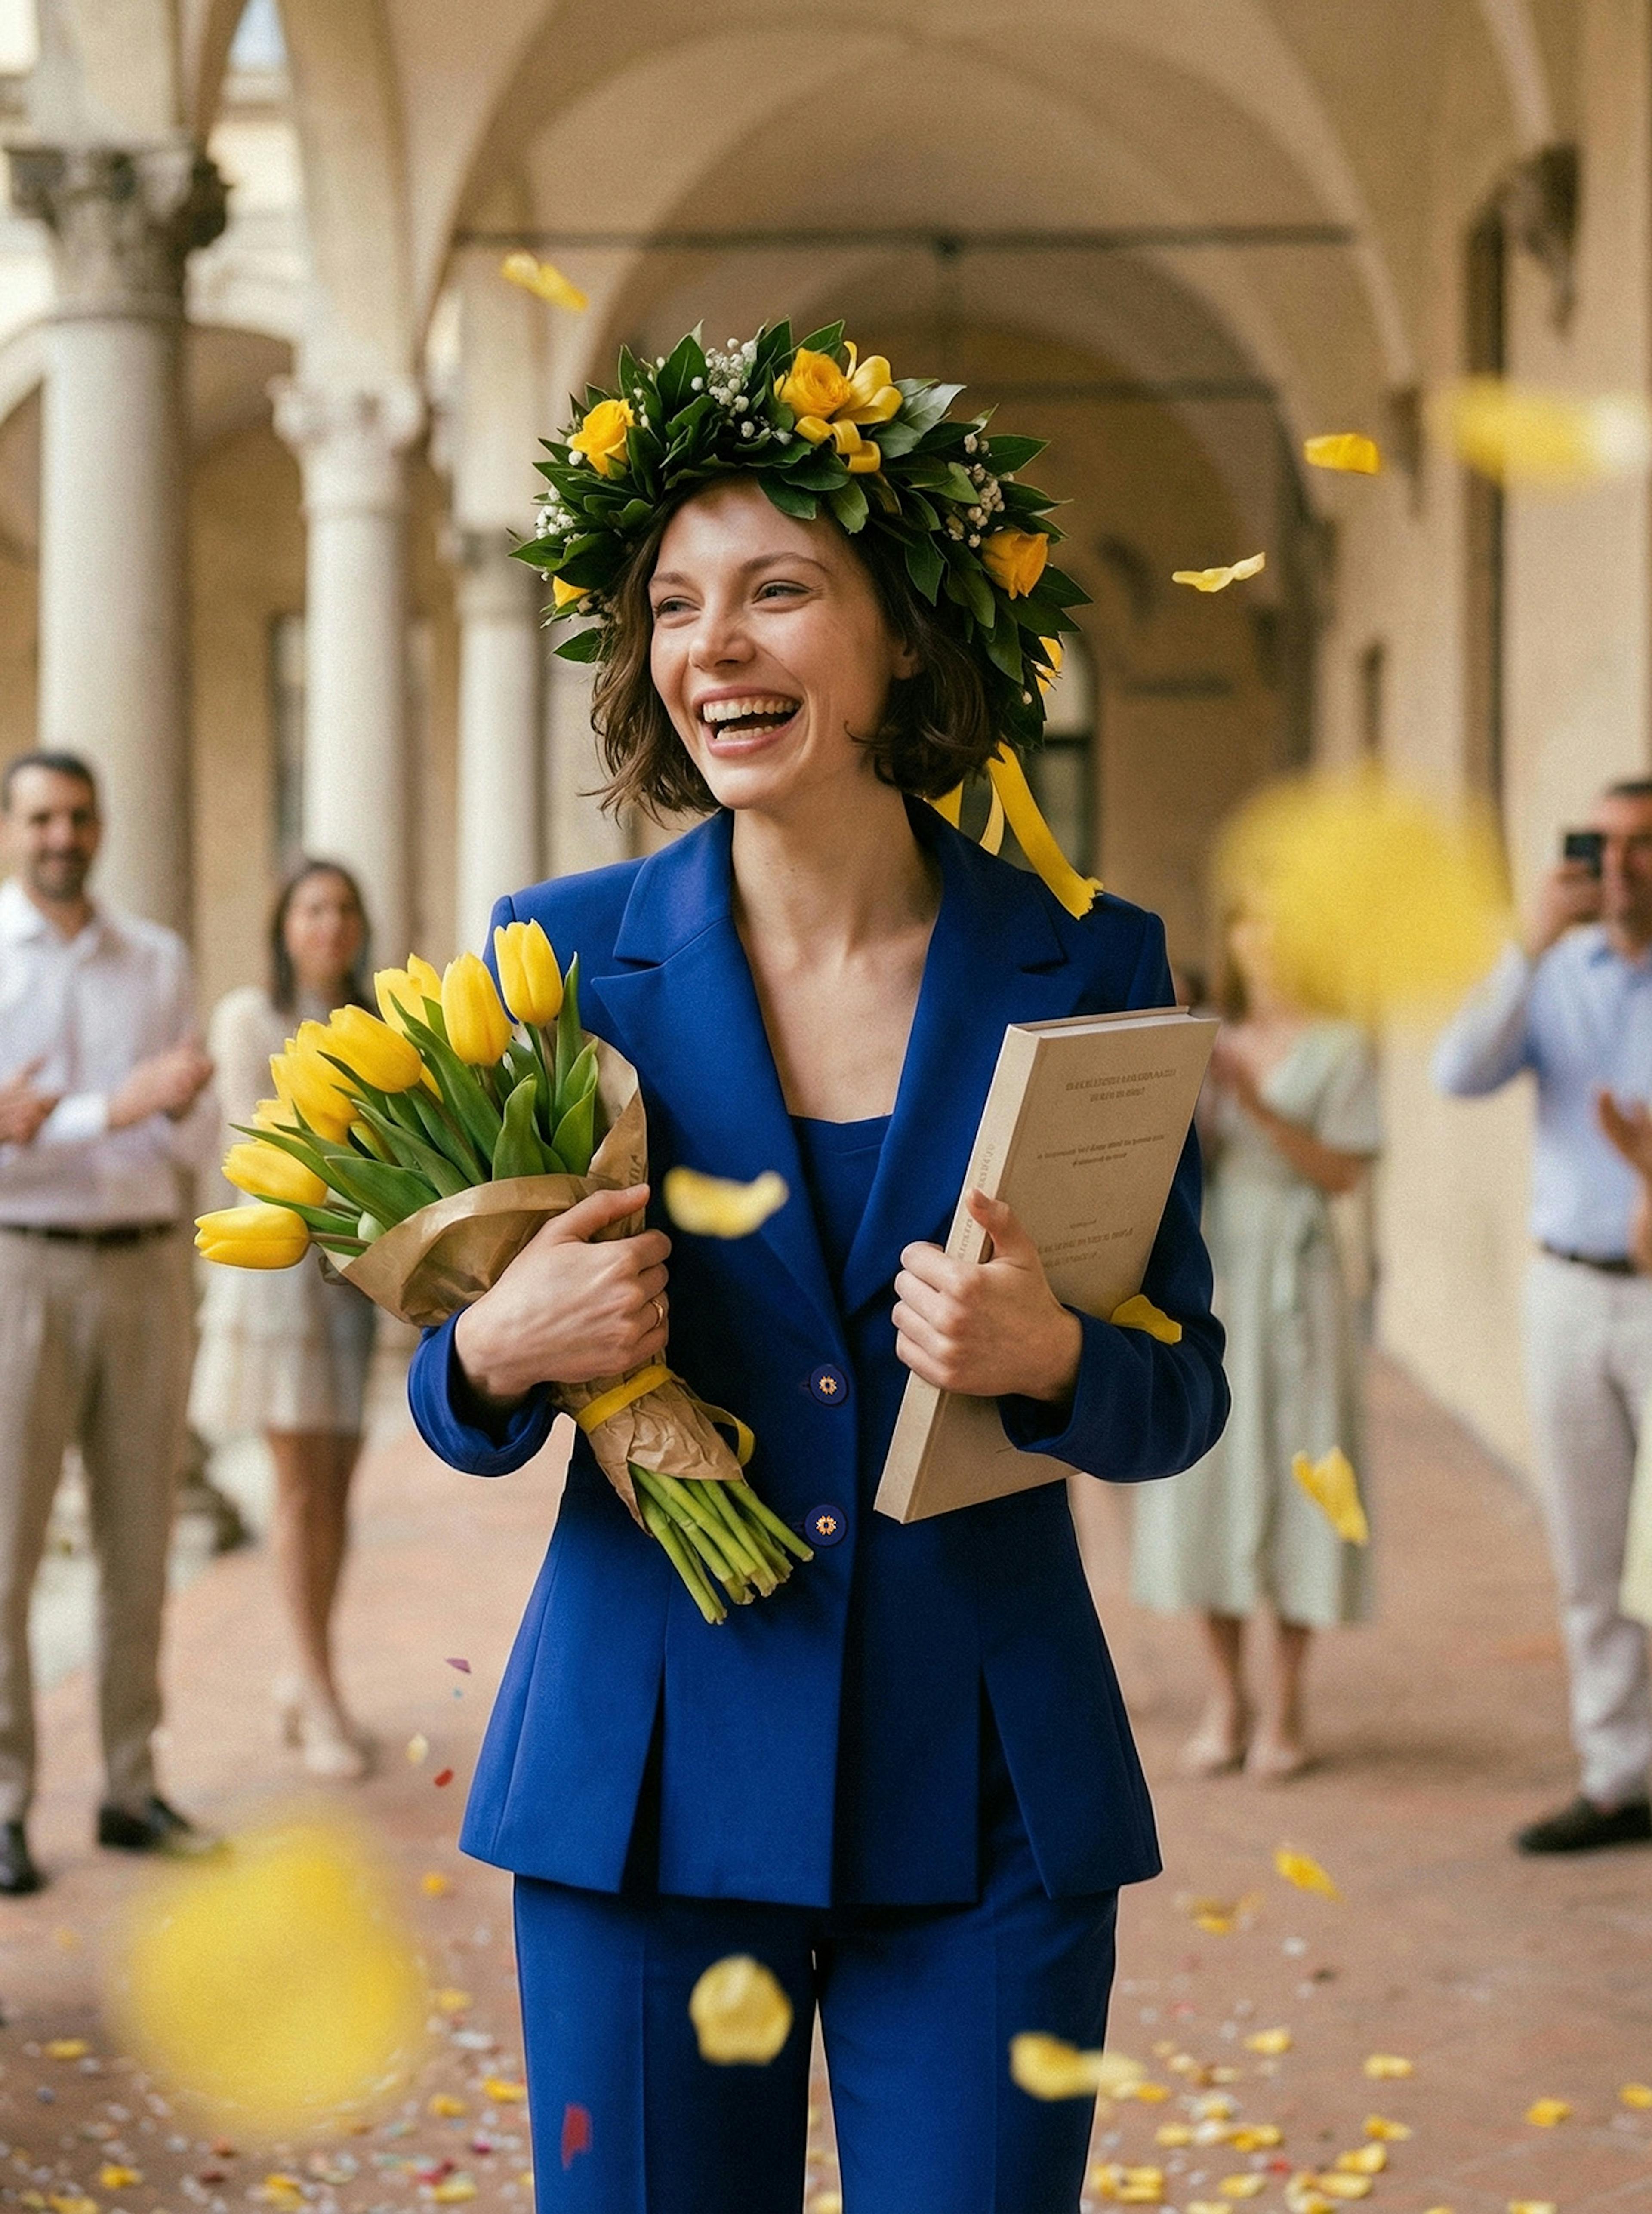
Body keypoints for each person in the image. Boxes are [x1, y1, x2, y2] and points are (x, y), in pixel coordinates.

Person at [407, 324, 1228, 2214]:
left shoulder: (1089, 961)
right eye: (678, 606)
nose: (716, 647)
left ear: (904, 637)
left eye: (780, 591)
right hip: (647, 1789)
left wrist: (1053, 1356)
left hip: (992, 1800)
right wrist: (501, 1350)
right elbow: (455, 1405)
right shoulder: (556, 955)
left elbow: (1182, 1395)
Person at [0, 750, 217, 1895]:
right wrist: (105, 1107)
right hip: (19, 1272)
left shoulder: (158, 960)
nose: (62, 834)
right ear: (11, 827)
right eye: (42, 815)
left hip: (141, 1268)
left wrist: (174, 1106)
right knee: (5, 1552)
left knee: (142, 1547)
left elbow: (185, 1138)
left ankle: (131, 1787)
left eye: (80, 814)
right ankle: (2, 1803)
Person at [1434, 779, 1652, 1854]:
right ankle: (1618, 1777)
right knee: (1591, 1550)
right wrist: (1525, 943)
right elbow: (1458, 1070)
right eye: (1600, 846)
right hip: (1569, 1291)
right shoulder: (1553, 976)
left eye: (1643, 847)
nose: (1619, 868)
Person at [1132, 905, 1380, 1781]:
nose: (1266, 940)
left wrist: (1257, 1105)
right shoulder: (1210, 1033)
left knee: (1303, 1464)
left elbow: (1345, 1173)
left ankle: (1289, 1702)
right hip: (1217, 1259)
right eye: (1248, 924)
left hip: (1300, 1275)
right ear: (1234, 938)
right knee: (1211, 1472)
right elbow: (1174, 1156)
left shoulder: (1345, 1044)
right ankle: (1226, 1696)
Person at [190, 862, 379, 1778]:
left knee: (339, 1493)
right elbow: (253, 1146)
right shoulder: (246, 1019)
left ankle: (304, 1679)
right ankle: (320, 1694)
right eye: (313, 908)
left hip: (353, 1284)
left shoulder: (377, 1023)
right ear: (285, 923)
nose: (330, 924)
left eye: (344, 909)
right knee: (300, 1492)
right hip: (274, 1278)